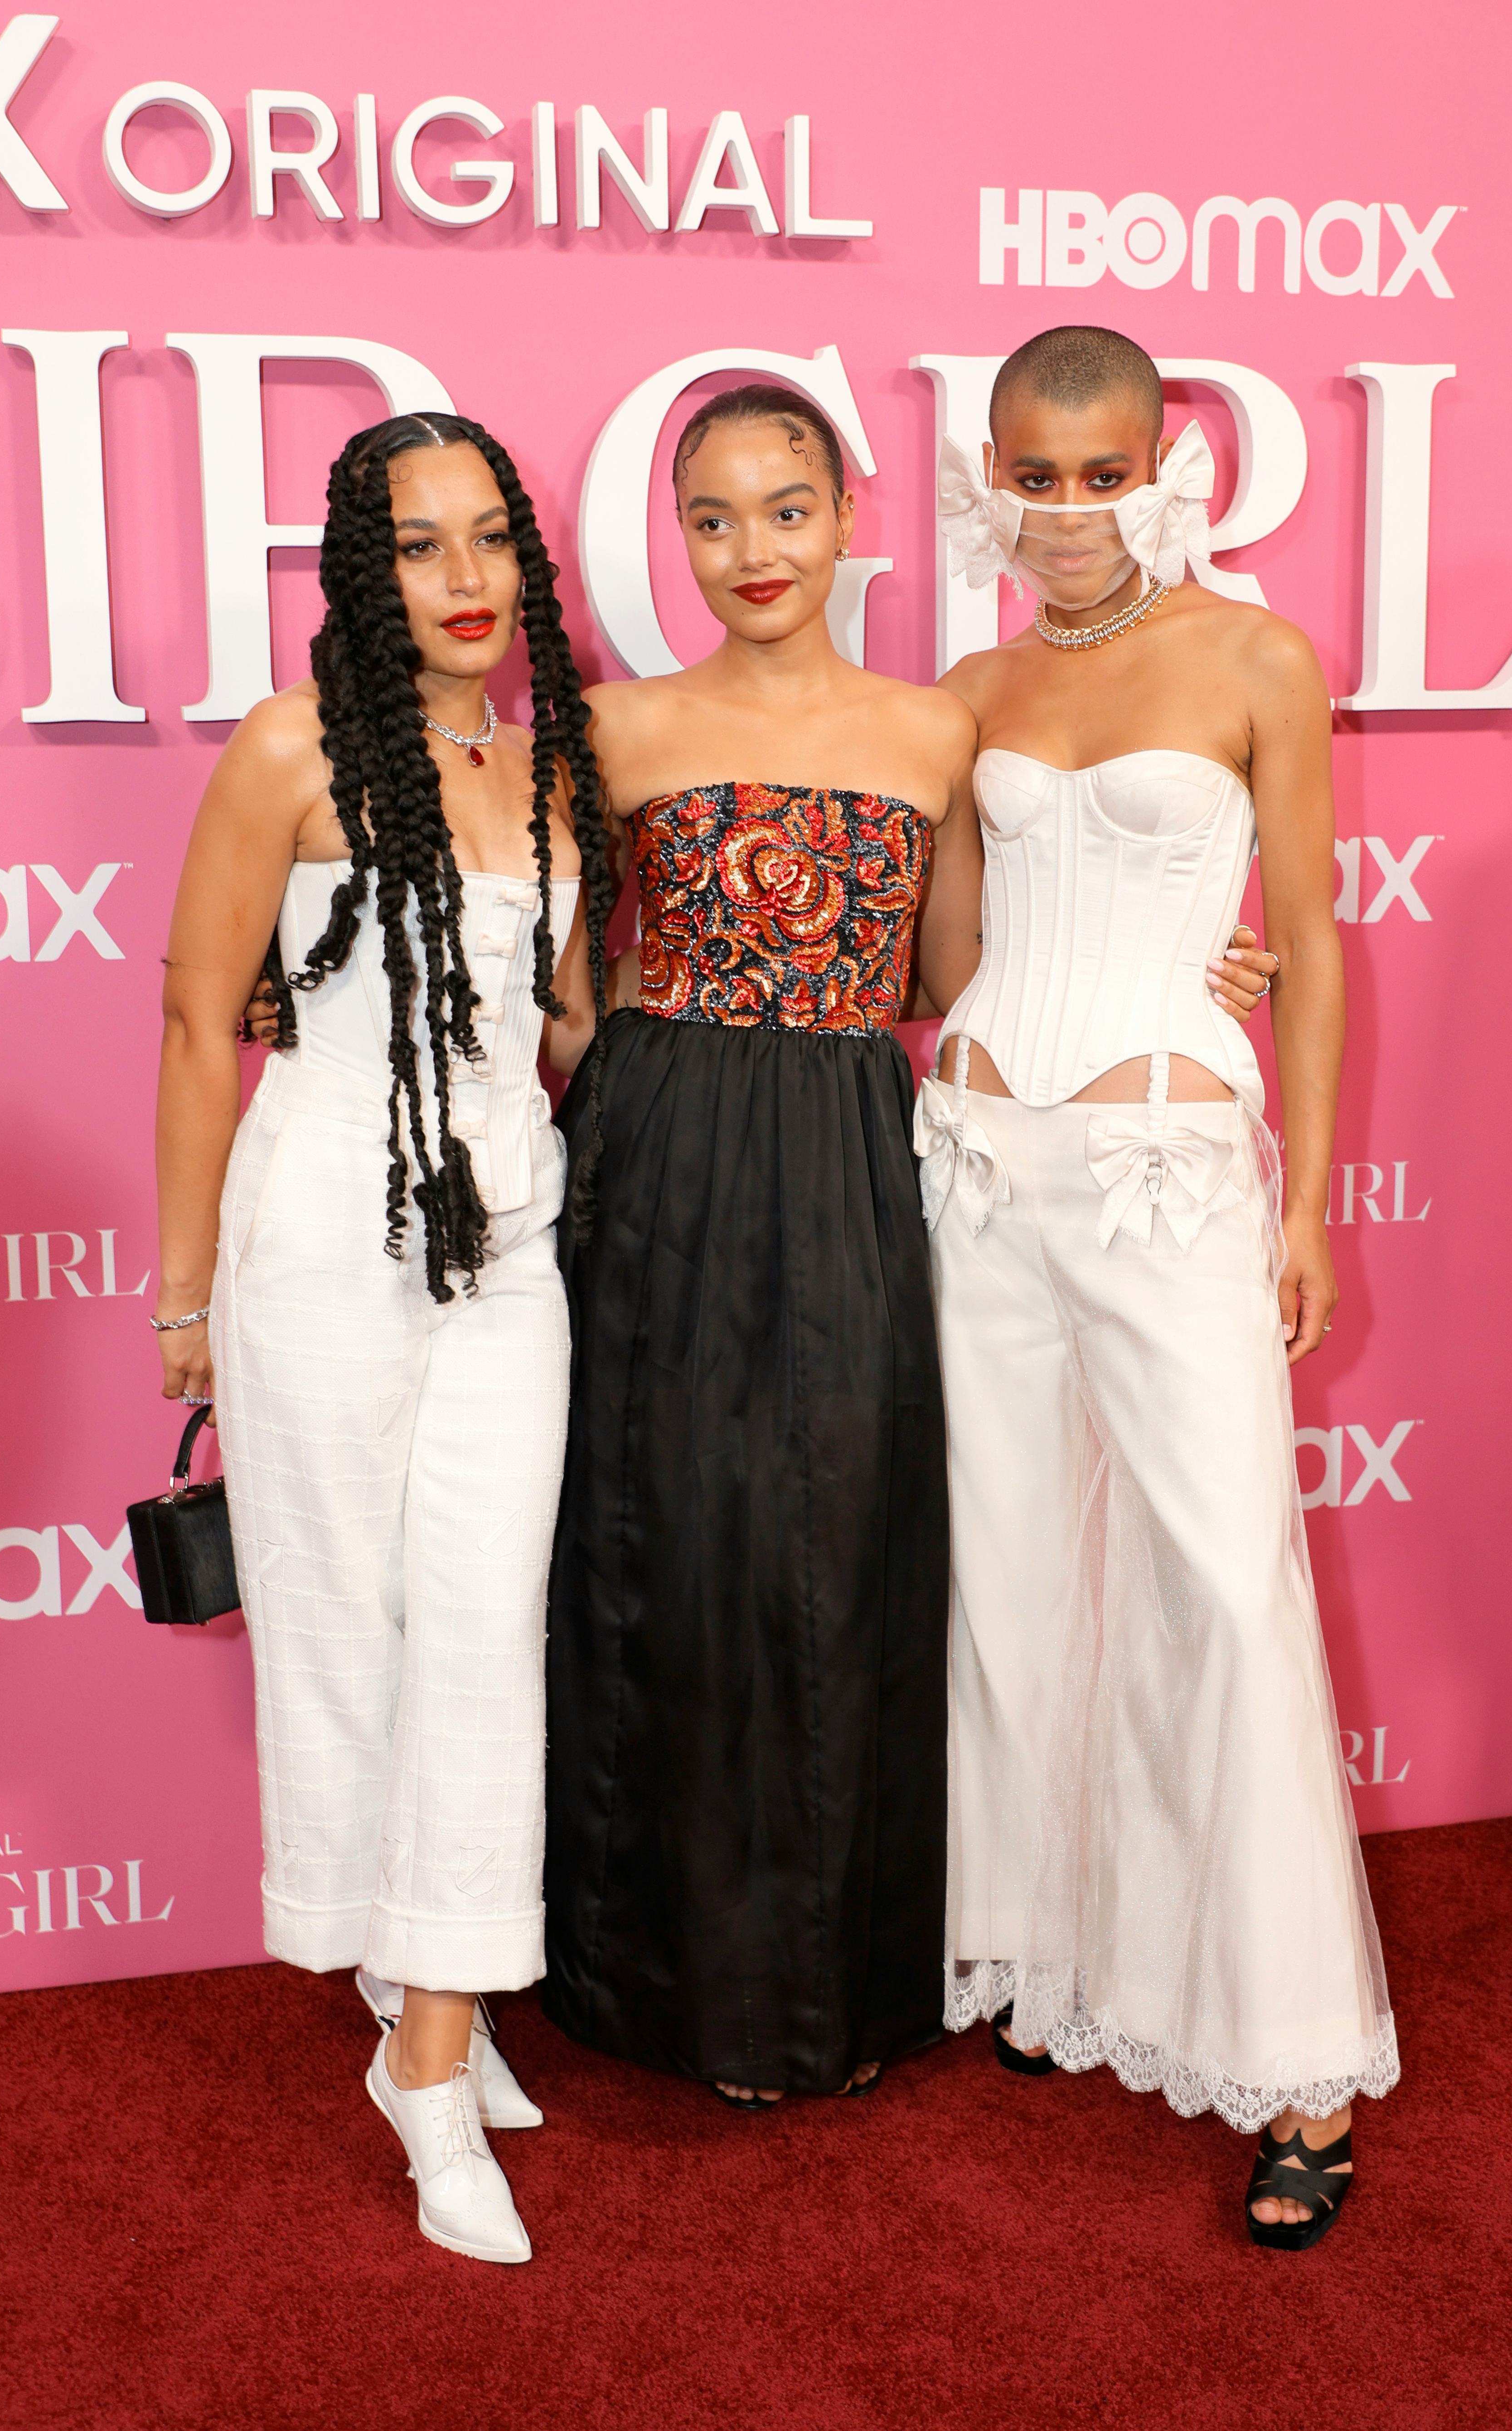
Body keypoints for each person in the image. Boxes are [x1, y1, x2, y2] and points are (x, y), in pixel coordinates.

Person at [919, 326, 1396, 2250]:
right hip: (976, 1160)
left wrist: (1309, 1205)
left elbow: (1314, 941)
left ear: (1169, 459)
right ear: (988, 474)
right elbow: (952, 954)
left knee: (1221, 1577)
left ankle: (1298, 2069)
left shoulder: (1260, 658)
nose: (1065, 513)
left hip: (1170, 1170)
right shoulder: (970, 681)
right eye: (1030, 475)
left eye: (1099, 471)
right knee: (1018, 1573)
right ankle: (1054, 1958)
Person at [154, 411, 611, 2264]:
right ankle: (414, 1979)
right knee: (349, 1624)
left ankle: (431, 2048)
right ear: (361, 567)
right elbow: (200, 1029)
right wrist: (182, 1291)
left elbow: (561, 1026)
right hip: (326, 1224)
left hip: (512, 1235)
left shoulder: (547, 762)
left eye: (493, 540)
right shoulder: (291, 752)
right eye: (423, 547)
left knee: (490, 1625)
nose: (470, 581)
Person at [534, 385, 987, 2105]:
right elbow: (566, 988)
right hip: (659, 1163)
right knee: (679, 1549)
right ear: (679, 531)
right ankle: (679, 1989)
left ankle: (839, 1991)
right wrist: (667, 1089)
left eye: (785, 510)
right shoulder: (616, 726)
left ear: (850, 510)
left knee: (848, 1542)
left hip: (856, 1156)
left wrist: (1189, 980)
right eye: (712, 518)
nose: (751, 551)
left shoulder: (929, 731)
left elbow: (953, 985)